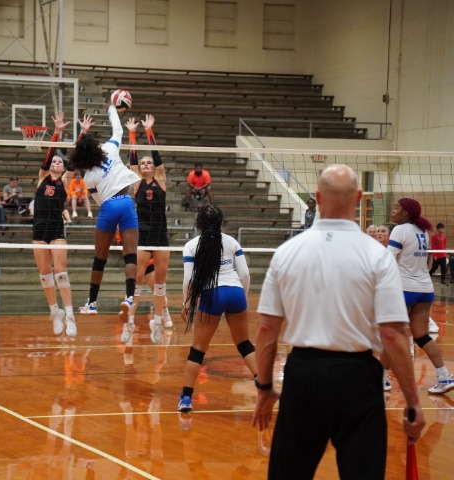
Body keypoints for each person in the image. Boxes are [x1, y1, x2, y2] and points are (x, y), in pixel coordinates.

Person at [251, 165, 424, 479]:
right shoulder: (377, 255)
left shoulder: (287, 252)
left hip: (303, 376)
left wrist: (264, 388)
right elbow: (393, 333)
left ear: (317, 198)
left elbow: (266, 329)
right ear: (358, 198)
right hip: (358, 378)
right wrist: (413, 402)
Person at [177, 205, 256, 412]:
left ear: (199, 223)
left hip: (212, 294)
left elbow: (189, 279)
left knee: (198, 349)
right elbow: (245, 274)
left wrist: (186, 304)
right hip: (236, 292)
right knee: (244, 344)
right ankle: (263, 384)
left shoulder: (191, 246)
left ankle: (186, 398)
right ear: (221, 222)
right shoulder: (232, 242)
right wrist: (242, 296)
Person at [68, 105, 140, 318]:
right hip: (127, 203)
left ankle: (92, 303)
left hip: (108, 206)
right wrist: (111, 108)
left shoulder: (88, 177)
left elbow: (98, 200)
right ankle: (129, 298)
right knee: (130, 256)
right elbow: (118, 130)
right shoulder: (110, 148)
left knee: (100, 258)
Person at [386, 198, 454, 394]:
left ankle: (381, 379)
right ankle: (444, 376)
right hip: (425, 289)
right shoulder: (421, 230)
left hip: (405, 289)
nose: (393, 210)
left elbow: (387, 259)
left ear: (406, 212)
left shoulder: (400, 230)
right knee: (422, 336)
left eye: (396, 208)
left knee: (391, 336)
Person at [32, 112, 87, 337]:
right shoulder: (42, 177)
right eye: (54, 161)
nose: (55, 163)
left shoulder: (65, 180)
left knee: (61, 274)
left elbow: (74, 161)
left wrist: (82, 134)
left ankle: (70, 315)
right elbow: (47, 157)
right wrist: (56, 132)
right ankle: (55, 312)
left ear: (63, 167)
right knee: (45, 276)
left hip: (56, 229)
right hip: (39, 230)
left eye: (59, 162)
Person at [123, 114, 172, 345]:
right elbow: (132, 160)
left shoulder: (161, 180)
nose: (145, 165)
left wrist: (149, 130)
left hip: (160, 236)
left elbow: (158, 159)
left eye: (148, 163)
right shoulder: (137, 183)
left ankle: (158, 322)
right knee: (137, 282)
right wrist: (132, 133)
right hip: (142, 235)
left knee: (160, 284)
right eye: (143, 163)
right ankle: (129, 323)